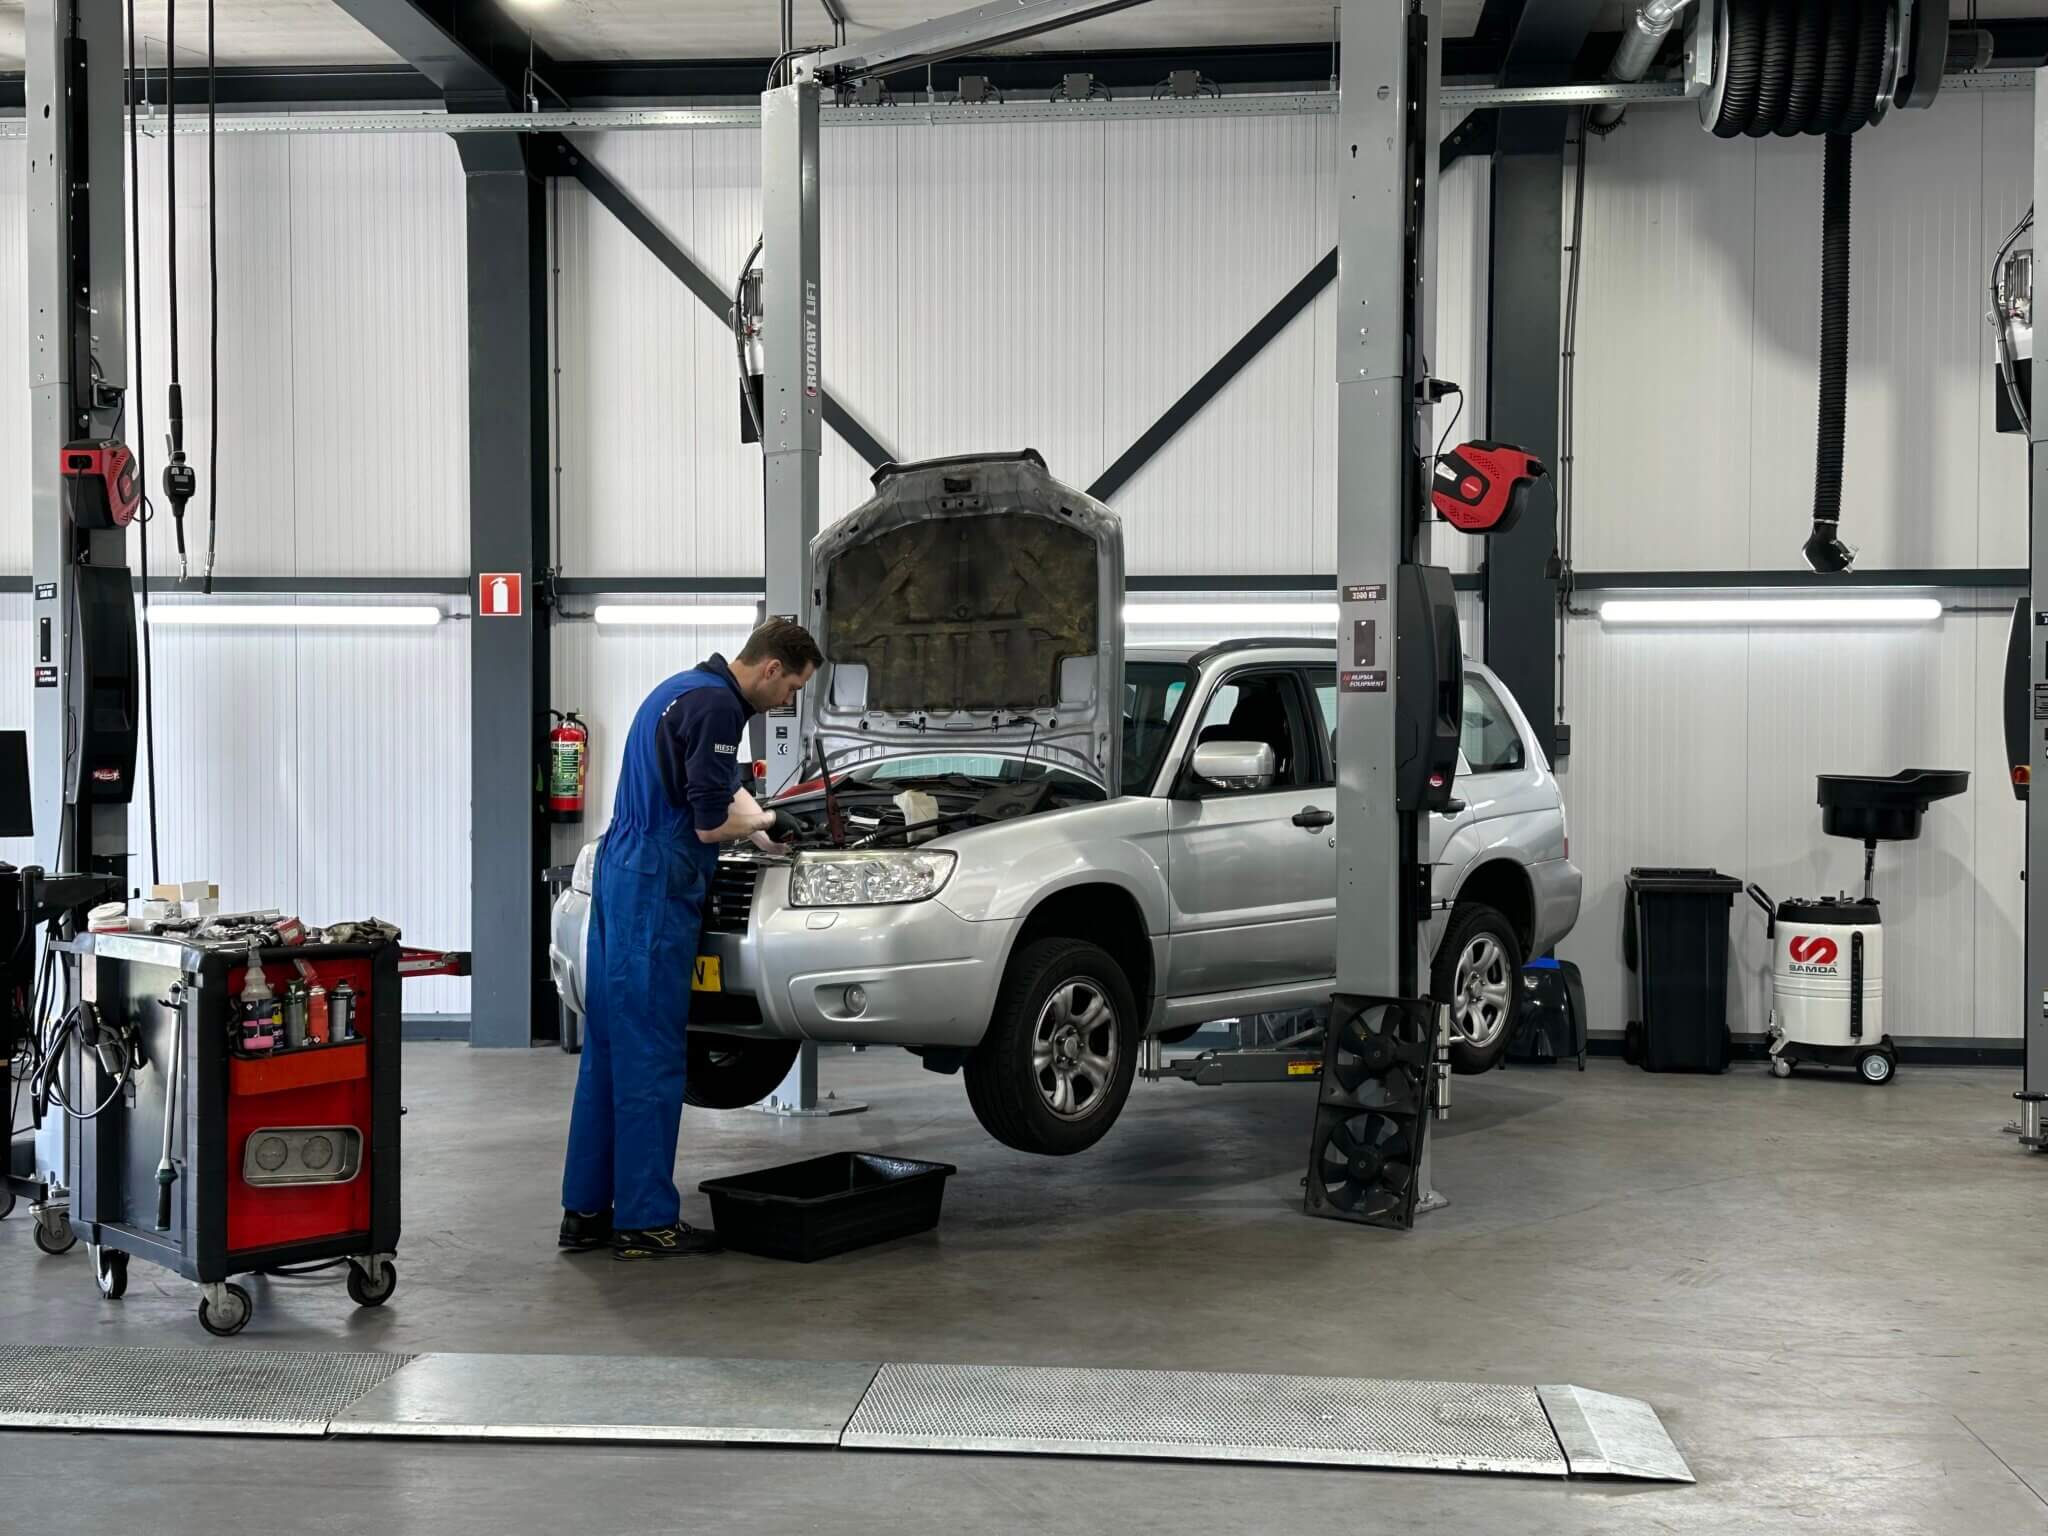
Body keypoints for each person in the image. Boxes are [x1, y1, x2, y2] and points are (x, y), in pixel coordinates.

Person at [560, 618, 822, 1260]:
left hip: (623, 874)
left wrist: (760, 830)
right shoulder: (717, 708)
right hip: (656, 884)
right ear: (769, 670)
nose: (789, 701)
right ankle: (646, 1222)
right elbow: (709, 824)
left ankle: (586, 1213)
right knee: (651, 1053)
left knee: (610, 1049)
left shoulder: (684, 688)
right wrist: (769, 815)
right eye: (793, 687)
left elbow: (711, 785)